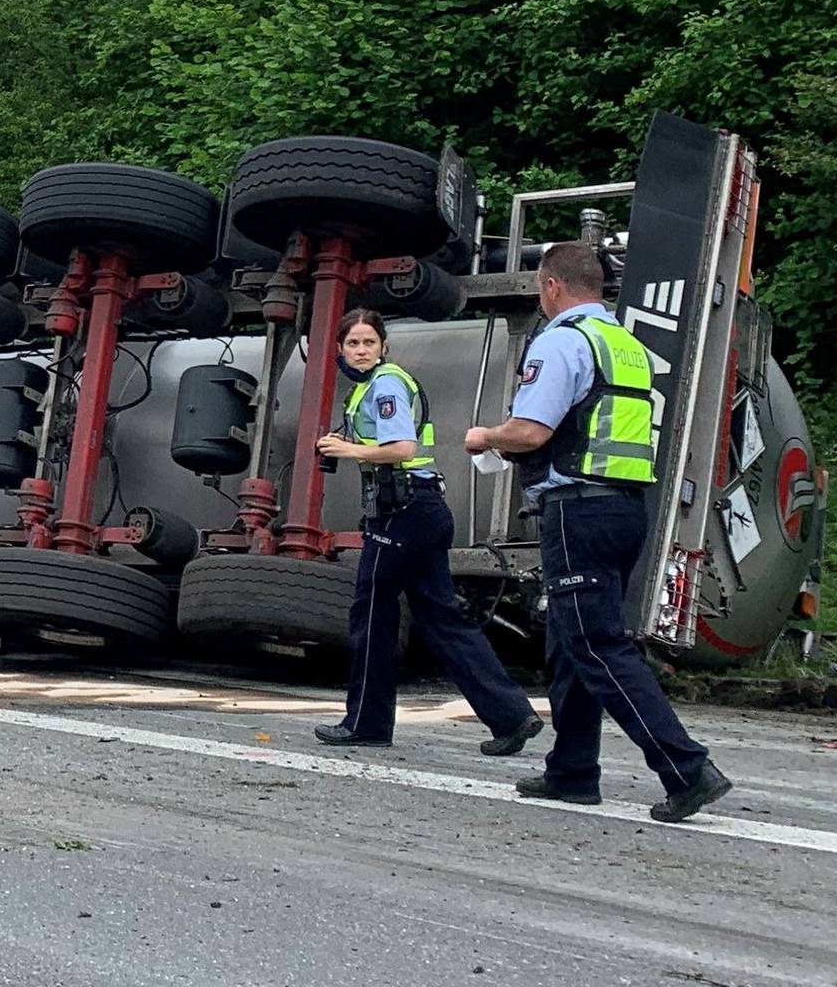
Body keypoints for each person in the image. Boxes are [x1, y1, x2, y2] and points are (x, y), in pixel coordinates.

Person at [465, 241, 730, 823]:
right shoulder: (626, 346)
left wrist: (485, 437)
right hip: (624, 507)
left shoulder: (563, 340)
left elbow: (531, 432)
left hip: (577, 508)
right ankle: (573, 772)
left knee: (595, 644)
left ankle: (686, 769)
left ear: (552, 286)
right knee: (568, 640)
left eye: (540, 287)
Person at [312, 309, 543, 753]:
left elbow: (401, 448)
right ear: (340, 349)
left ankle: (367, 724)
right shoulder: (371, 386)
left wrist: (345, 448)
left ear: (383, 347)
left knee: (373, 615)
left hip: (403, 511)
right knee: (443, 619)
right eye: (353, 344)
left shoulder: (385, 384)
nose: (361, 352)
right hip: (421, 508)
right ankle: (512, 716)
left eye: (369, 343)